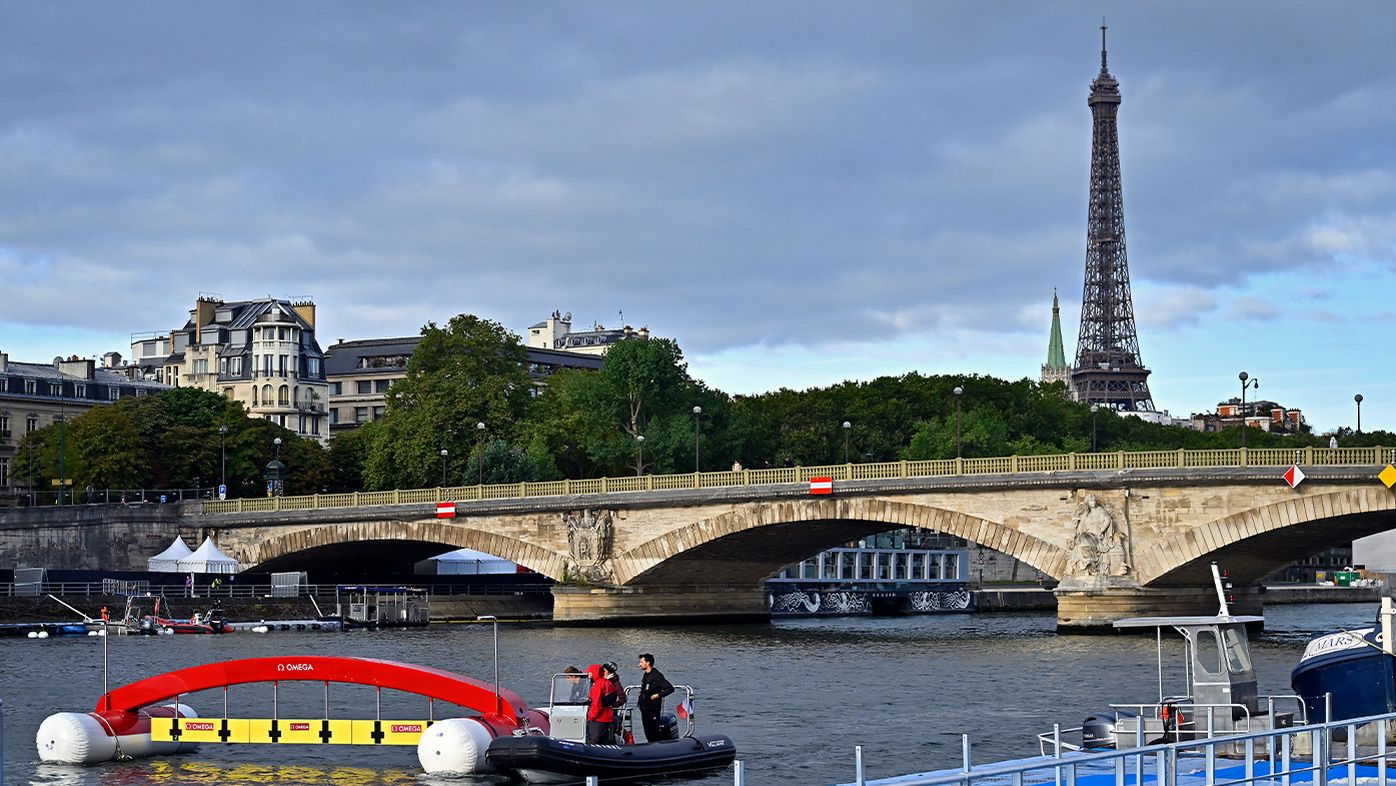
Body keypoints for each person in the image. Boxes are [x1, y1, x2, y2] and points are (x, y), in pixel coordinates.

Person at [637, 653, 675, 742]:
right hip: (644, 708)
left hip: (652, 709)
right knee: (647, 731)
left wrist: (658, 695)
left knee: (653, 732)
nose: (640, 664)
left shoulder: (657, 675)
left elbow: (670, 688)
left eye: (641, 662)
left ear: (648, 663)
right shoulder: (646, 675)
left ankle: (657, 746)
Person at [584, 663, 624, 744]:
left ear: (594, 673)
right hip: (608, 717)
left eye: (589, 673)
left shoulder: (597, 685)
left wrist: (591, 717)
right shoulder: (608, 683)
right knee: (606, 741)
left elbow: (596, 703)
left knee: (593, 741)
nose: (588, 675)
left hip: (598, 719)